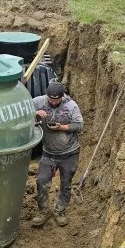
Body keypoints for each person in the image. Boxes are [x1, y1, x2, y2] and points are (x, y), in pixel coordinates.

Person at [31, 82, 84, 227]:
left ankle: (59, 211)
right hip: (49, 152)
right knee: (42, 181)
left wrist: (62, 127)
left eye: (56, 100)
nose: (53, 102)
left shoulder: (71, 106)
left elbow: (80, 125)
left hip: (69, 153)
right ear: (47, 95)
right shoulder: (38, 102)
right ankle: (43, 211)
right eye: (51, 99)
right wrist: (34, 113)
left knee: (65, 184)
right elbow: (22, 112)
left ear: (62, 97)